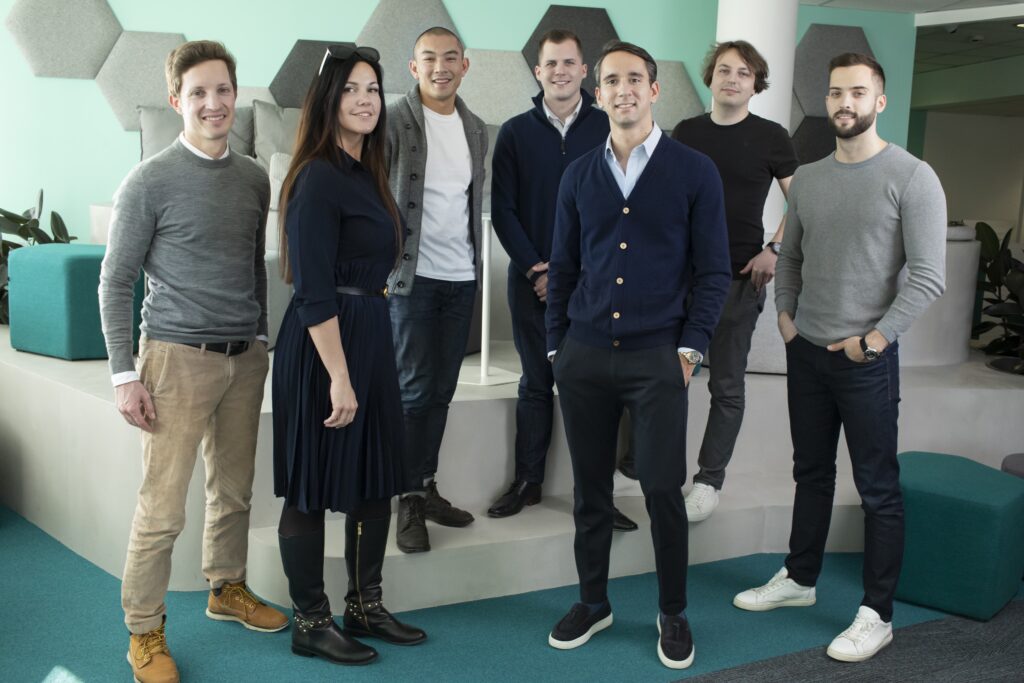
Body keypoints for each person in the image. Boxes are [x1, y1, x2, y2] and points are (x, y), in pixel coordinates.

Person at [733, 53, 946, 663]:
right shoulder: (810, 178)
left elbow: (928, 277)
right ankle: (800, 579)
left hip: (866, 361)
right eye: (835, 92)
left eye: (857, 92)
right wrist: (786, 316)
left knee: (877, 488)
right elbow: (791, 256)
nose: (844, 102)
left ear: (880, 101)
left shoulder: (913, 176)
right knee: (811, 473)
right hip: (807, 352)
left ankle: (877, 614)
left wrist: (874, 341)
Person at [99, 40, 287, 683]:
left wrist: (259, 338)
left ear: (236, 95)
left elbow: (253, 267)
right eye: (198, 92)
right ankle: (143, 631)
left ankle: (226, 588)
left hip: (244, 359)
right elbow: (115, 280)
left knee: (233, 492)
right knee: (162, 511)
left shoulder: (254, 177)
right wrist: (124, 374)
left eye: (223, 90)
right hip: (174, 359)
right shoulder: (148, 181)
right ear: (177, 100)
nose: (213, 103)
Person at [545, 41, 731, 670]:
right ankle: (592, 602)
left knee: (661, 490)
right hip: (584, 355)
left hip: (659, 357)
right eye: (610, 80)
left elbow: (714, 271)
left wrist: (691, 348)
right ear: (597, 93)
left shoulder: (694, 171)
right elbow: (563, 268)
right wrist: (556, 347)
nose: (621, 89)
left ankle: (672, 611)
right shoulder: (578, 175)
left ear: (654, 89)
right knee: (590, 491)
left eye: (633, 78)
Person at [272, 44, 427, 666]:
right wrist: (339, 374)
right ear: (328, 100)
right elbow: (312, 289)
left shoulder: (369, 171)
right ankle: (311, 622)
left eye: (373, 89)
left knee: (373, 477)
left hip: (370, 333)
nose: (365, 100)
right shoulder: (316, 176)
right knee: (310, 486)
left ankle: (365, 605)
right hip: (323, 344)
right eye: (351, 89)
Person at [487, 29, 635, 531]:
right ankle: (527, 482)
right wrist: (537, 268)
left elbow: (619, 210)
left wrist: (575, 275)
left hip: (594, 287)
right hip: (530, 282)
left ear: (584, 70)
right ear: (538, 72)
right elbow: (502, 210)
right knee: (535, 383)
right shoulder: (514, 133)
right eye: (551, 63)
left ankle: (596, 497)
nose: (560, 71)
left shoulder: (609, 127)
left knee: (593, 391)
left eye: (569, 62)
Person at [670, 40, 798, 521]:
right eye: (724, 69)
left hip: (737, 278)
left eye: (744, 72)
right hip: (679, 278)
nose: (732, 78)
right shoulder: (686, 132)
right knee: (667, 377)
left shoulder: (771, 137)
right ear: (711, 77)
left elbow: (801, 201)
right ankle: (652, 466)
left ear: (755, 84)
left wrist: (775, 249)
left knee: (725, 386)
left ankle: (708, 482)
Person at [386, 27, 488, 553]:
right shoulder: (393, 120)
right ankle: (406, 498)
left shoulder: (475, 128)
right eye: (429, 58)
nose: (440, 67)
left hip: (461, 278)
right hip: (412, 279)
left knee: (443, 391)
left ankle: (425, 486)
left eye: (450, 58)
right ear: (414, 67)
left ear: (465, 66)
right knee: (413, 391)